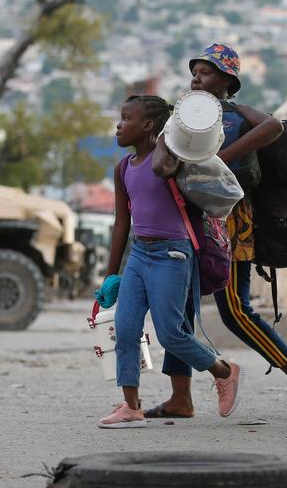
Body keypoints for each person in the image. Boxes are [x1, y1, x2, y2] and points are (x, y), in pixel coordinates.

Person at [150, 43, 287, 420]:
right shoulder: (184, 115)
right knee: (177, 308)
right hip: (187, 219)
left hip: (229, 221)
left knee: (234, 310)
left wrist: (220, 160)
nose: (197, 77)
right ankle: (180, 397)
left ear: (228, 81)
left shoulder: (236, 114)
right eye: (195, 71)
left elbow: (273, 126)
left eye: (207, 72)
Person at [97, 95, 243, 429]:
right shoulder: (123, 168)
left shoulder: (173, 158)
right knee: (126, 328)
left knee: (170, 334)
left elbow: (162, 167)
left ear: (148, 126)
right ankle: (131, 407)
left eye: (125, 118)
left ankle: (224, 371)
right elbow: (122, 223)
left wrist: (165, 136)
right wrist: (110, 275)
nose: (118, 126)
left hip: (173, 253)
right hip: (140, 254)